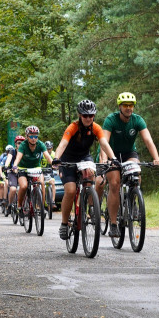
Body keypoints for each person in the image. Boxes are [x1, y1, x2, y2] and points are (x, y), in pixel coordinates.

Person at [98, 92, 159, 237]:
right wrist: (104, 159)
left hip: (128, 153)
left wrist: (156, 158)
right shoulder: (111, 119)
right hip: (111, 153)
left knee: (136, 173)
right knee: (114, 183)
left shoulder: (138, 120)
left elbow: (148, 141)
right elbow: (104, 142)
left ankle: (132, 198)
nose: (129, 108)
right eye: (125, 105)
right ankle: (113, 224)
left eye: (131, 105)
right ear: (120, 107)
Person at [52, 100, 118, 239]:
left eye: (91, 115)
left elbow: (104, 143)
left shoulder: (96, 127)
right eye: (85, 116)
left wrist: (113, 158)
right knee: (70, 190)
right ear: (79, 115)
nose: (88, 118)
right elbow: (63, 143)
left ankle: (91, 207)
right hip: (68, 159)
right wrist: (56, 158)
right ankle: (64, 224)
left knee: (90, 175)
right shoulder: (73, 127)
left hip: (84, 157)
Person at [11, 125, 53, 216]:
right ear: (27, 136)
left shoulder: (40, 144)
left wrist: (54, 164)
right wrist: (15, 166)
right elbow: (18, 157)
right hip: (23, 169)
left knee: (41, 183)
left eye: (36, 136)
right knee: (23, 186)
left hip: (36, 168)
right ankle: (19, 206)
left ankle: (41, 206)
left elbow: (47, 156)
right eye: (31, 136)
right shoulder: (23, 145)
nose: (34, 138)